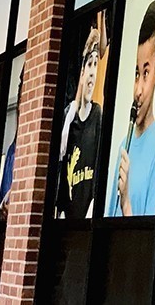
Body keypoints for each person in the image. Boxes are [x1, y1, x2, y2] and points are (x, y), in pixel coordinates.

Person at [109, 0, 155, 216]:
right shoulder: (125, 145)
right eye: (136, 73)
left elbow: (146, 238)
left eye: (146, 73)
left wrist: (126, 203)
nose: (138, 90)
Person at [56, 13, 106, 219]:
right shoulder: (69, 118)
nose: (93, 72)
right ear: (82, 69)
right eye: (89, 64)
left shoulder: (99, 117)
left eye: (96, 65)